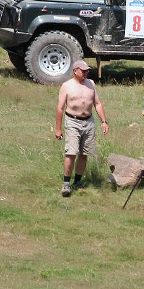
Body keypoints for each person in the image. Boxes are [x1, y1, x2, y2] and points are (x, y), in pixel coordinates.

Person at [55, 60, 109, 197]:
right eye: (83, 70)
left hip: (88, 121)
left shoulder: (91, 84)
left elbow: (97, 104)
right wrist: (58, 129)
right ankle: (66, 183)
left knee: (84, 153)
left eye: (87, 70)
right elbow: (60, 108)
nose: (86, 72)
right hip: (72, 121)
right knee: (71, 153)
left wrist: (104, 121)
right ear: (75, 71)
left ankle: (78, 181)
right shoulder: (67, 86)